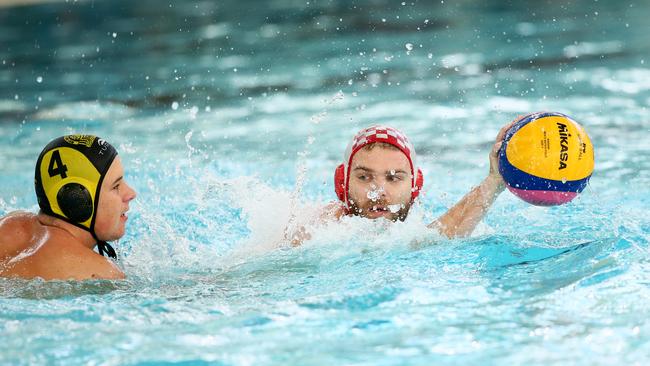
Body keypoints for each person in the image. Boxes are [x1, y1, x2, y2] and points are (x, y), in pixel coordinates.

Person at [286, 121, 514, 245]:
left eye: (393, 178)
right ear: (342, 184)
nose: (379, 191)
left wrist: (495, 180)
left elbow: (435, 238)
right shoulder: (315, 233)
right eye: (364, 177)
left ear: (415, 186)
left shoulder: (403, 235)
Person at [0, 135, 136, 280]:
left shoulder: (10, 224)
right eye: (116, 186)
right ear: (77, 199)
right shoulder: (99, 271)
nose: (131, 193)